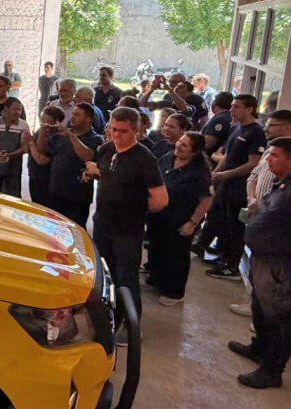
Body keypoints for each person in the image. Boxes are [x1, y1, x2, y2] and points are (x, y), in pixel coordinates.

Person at [84, 107, 168, 345]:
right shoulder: (107, 148)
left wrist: (134, 208)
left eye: (123, 131)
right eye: (113, 129)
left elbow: (161, 200)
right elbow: (107, 173)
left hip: (127, 231)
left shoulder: (144, 159)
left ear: (136, 130)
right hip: (102, 224)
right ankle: (108, 318)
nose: (117, 135)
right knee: (105, 274)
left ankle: (132, 327)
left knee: (126, 278)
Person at [228, 136, 291, 389]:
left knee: (278, 317)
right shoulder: (282, 184)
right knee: (260, 309)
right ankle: (259, 348)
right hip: (262, 258)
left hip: (280, 265)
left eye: (274, 155)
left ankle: (272, 370)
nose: (267, 159)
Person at [227, 110, 291, 317]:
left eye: (271, 125)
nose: (266, 128)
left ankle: (268, 321)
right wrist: (252, 199)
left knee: (274, 284)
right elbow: (253, 175)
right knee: (258, 273)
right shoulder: (270, 150)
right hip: (258, 212)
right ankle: (257, 308)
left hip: (277, 236)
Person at [196, 95, 266, 280]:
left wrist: (227, 174)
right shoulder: (236, 127)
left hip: (239, 187)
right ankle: (223, 257)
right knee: (222, 221)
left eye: (236, 107)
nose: (232, 110)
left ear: (249, 108)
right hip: (225, 184)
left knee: (235, 226)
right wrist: (216, 173)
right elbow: (227, 155)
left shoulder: (255, 132)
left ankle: (232, 266)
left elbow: (253, 163)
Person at [146, 132, 213, 305]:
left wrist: (192, 223)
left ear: (194, 152)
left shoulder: (199, 172)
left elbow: (206, 199)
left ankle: (174, 292)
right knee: (157, 249)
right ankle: (158, 279)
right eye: (179, 142)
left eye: (184, 145)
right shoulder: (168, 158)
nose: (178, 146)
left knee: (176, 256)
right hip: (159, 216)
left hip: (181, 220)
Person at [37, 103, 103, 229]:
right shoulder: (60, 135)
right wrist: (42, 132)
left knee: (74, 232)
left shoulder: (95, 139)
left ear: (88, 119)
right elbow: (42, 150)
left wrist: (71, 136)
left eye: (77, 115)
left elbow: (87, 156)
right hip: (55, 192)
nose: (72, 117)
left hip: (77, 198)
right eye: (72, 114)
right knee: (51, 231)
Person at [0, 98, 30, 196]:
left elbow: (25, 148)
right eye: (14, 109)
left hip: (14, 170)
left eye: (19, 110)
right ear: (6, 109)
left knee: (14, 198)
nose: (18, 112)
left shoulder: (23, 125)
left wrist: (9, 155)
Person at [25, 105, 65, 207]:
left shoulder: (58, 136)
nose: (43, 123)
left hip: (46, 178)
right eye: (42, 119)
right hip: (34, 175)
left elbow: (40, 157)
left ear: (56, 121)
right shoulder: (39, 131)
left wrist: (31, 143)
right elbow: (28, 150)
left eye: (47, 120)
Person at [201, 91, 234, 156]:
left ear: (214, 104)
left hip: (209, 157)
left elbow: (207, 144)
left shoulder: (219, 119)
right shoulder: (229, 117)